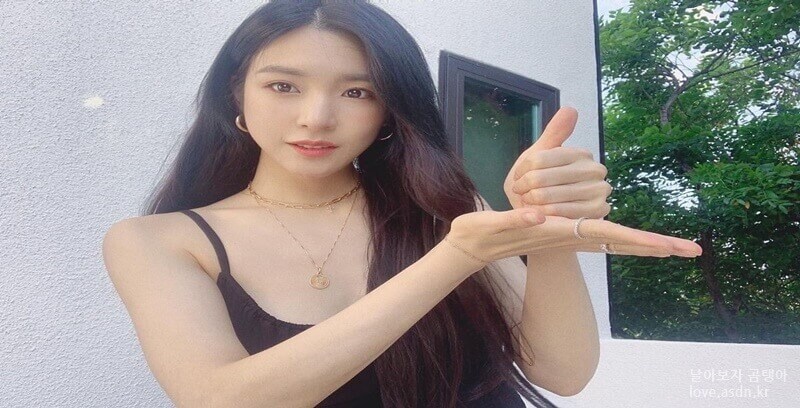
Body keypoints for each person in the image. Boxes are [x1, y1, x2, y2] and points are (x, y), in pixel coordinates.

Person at [101, 1, 703, 407]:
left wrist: (545, 231)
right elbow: (225, 399)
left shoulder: (444, 207)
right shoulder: (157, 241)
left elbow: (564, 374)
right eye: (283, 86)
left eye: (357, 92)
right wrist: (455, 257)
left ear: (390, 109)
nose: (317, 117)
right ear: (237, 93)